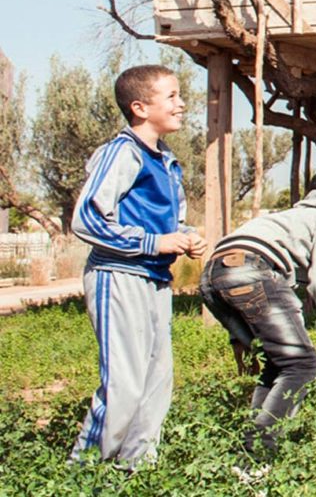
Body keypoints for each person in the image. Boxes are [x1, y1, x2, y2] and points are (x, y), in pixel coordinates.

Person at [70, 64, 205, 465]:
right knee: (124, 385)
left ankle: (135, 469)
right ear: (140, 108)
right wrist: (154, 242)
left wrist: (185, 236)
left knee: (156, 381)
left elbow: (167, 221)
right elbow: (88, 219)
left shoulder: (166, 160)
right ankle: (82, 474)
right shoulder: (122, 152)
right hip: (118, 276)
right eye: (172, 96)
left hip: (154, 277)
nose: (182, 104)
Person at [198, 166, 316, 454]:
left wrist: (239, 337)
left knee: (278, 365)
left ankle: (249, 452)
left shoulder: (290, 217)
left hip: (212, 276)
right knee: (302, 364)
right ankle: (258, 453)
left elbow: (229, 267)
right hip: (252, 270)